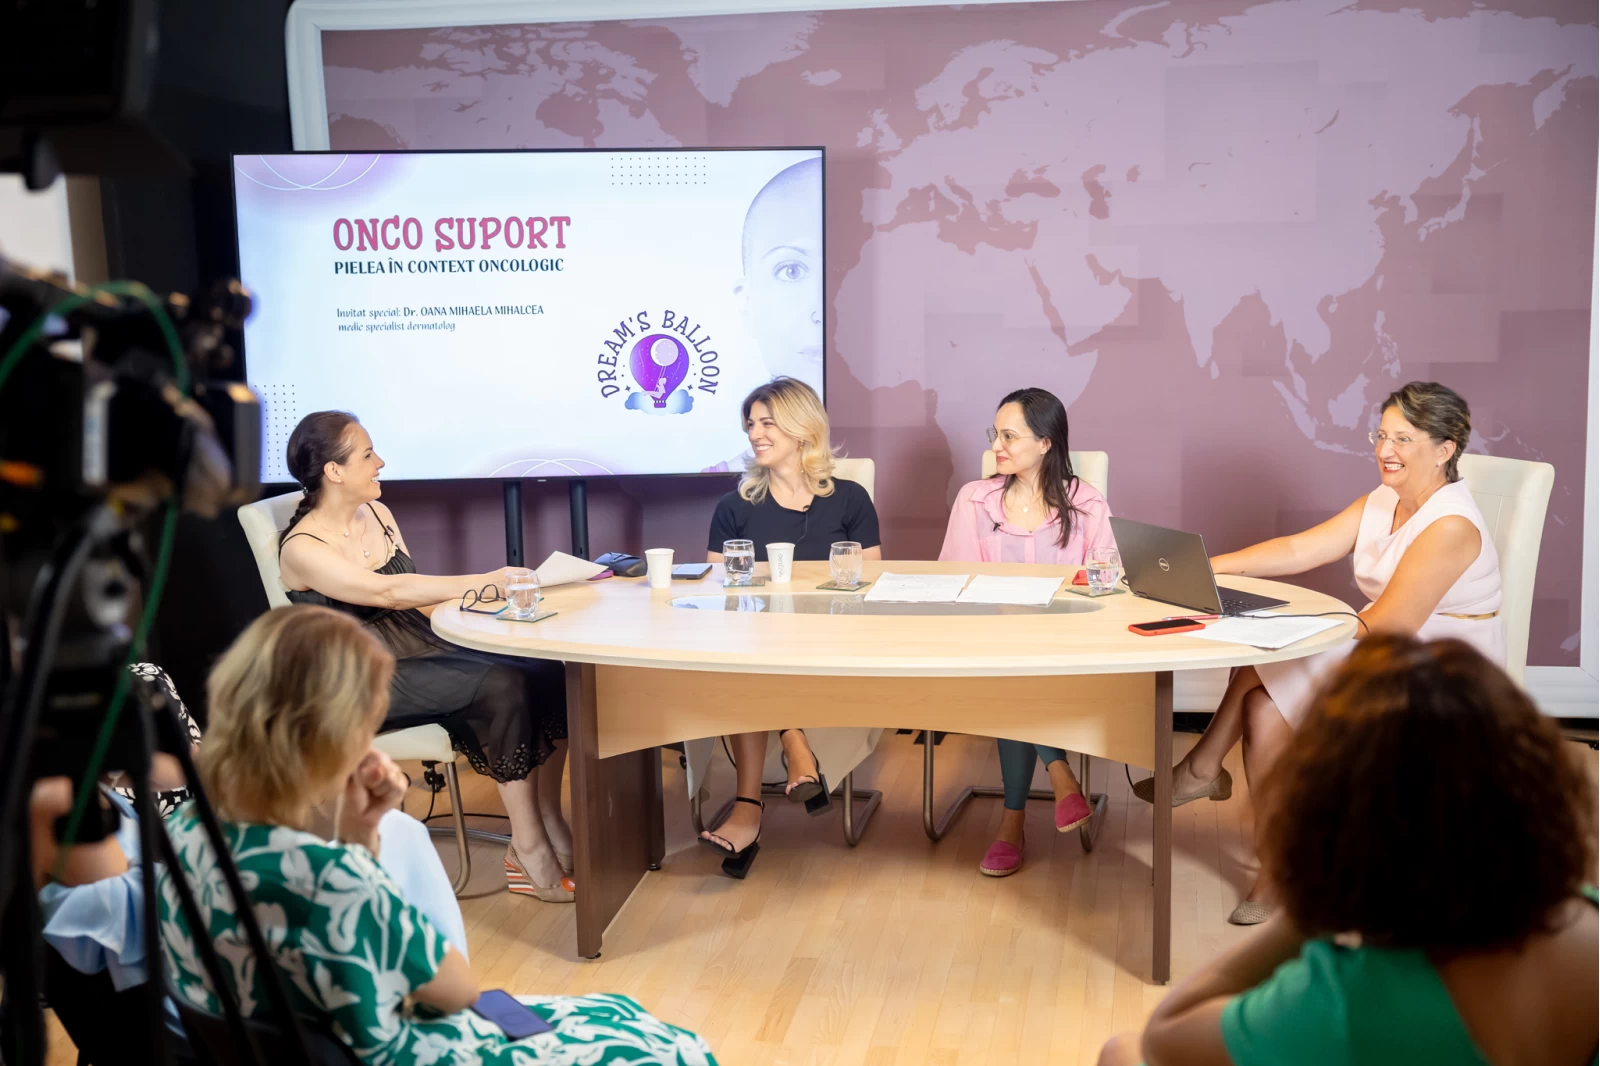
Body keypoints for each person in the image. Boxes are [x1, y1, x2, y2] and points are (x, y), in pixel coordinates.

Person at [157, 605, 719, 1064]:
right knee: (669, 1046)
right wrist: (362, 851)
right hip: (415, 1052)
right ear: (331, 741)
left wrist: (357, 838)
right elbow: (457, 991)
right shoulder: (330, 880)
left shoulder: (180, 839)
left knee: (620, 1015)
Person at [1099, 636, 1597, 1066]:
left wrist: (1306, 909)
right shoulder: (1587, 917)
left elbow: (1164, 1038)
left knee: (1120, 1053)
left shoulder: (1346, 1000)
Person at [1133, 380, 1503, 923]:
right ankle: (1275, 860)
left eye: (1403, 439)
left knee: (1264, 655)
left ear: (1445, 449)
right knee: (1261, 704)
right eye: (1381, 435)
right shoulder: (1384, 500)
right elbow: (1298, 549)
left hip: (1441, 666)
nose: (1385, 449)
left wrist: (1292, 633)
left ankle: (1203, 770)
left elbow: (1390, 624)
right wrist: (1207, 568)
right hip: (1383, 640)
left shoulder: (1451, 525)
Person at [276, 410, 575, 903]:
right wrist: (487, 579)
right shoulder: (302, 548)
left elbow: (418, 604)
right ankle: (528, 851)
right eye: (368, 455)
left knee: (545, 671)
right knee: (502, 685)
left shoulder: (377, 514)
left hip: (414, 646)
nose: (380, 462)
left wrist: (494, 620)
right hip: (356, 677)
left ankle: (549, 819)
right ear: (334, 471)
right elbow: (390, 593)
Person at [698, 377, 882, 876]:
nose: (755, 433)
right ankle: (795, 744)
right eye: (751, 424)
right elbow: (717, 591)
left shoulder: (850, 499)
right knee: (748, 659)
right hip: (758, 642)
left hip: (834, 641)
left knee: (753, 663)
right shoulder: (733, 507)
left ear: (802, 430)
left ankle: (749, 808)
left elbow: (870, 583)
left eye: (768, 423)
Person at [938, 387, 1116, 878]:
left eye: (1009, 436)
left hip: (1068, 648)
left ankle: (1012, 822)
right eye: (995, 434)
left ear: (1045, 442)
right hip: (992, 646)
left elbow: (1107, 582)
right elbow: (954, 581)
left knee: (1020, 674)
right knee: (1012, 668)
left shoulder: (1087, 503)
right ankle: (1059, 776)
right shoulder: (975, 500)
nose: (996, 445)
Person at [703, 157, 825, 473]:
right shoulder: (722, 491)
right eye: (791, 271)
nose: (821, 312)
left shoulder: (850, 494)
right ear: (746, 303)